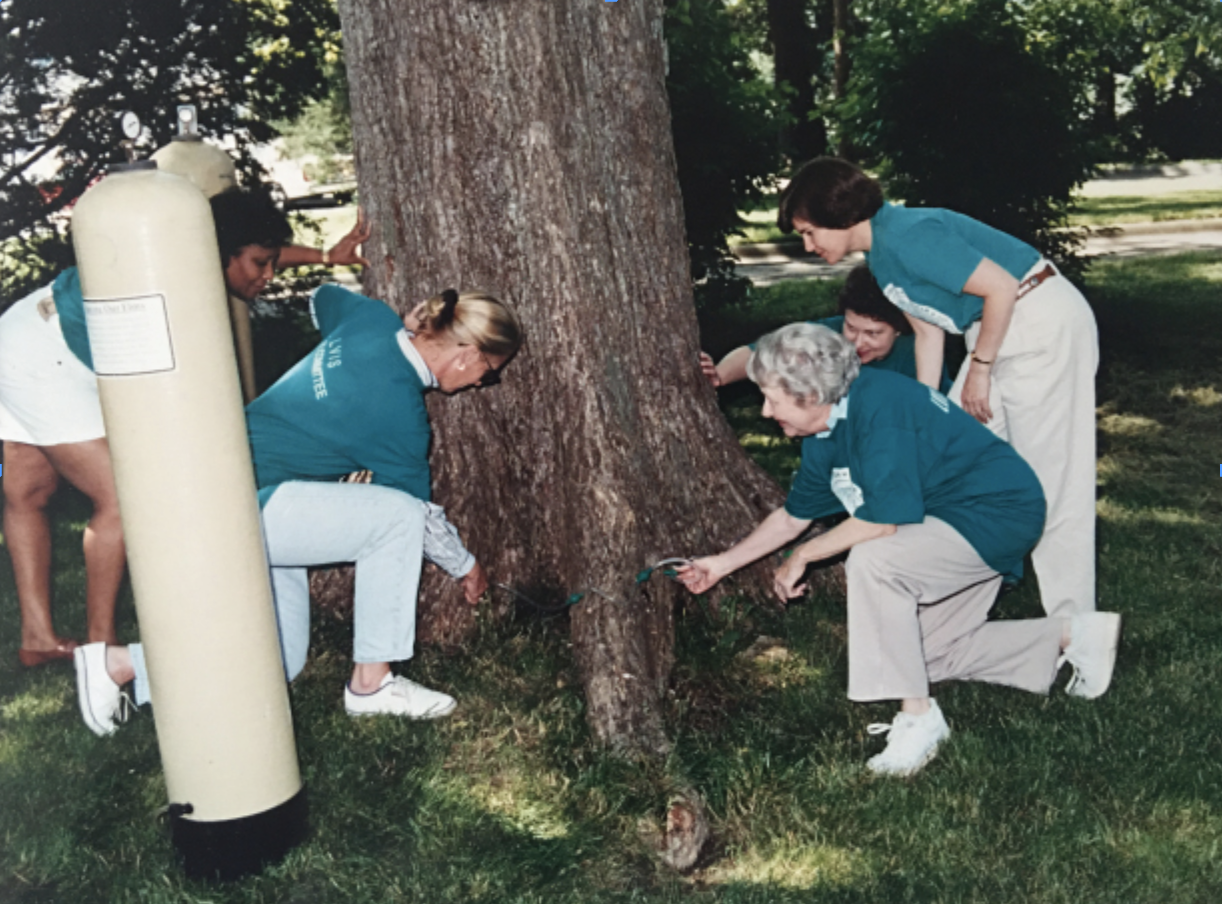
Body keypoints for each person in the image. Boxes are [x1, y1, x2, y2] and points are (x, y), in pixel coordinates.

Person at [73, 285, 522, 734]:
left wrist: (391, 314)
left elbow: (322, 297)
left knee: (279, 661)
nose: (482, 382)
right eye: (489, 371)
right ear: (467, 355)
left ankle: (119, 665)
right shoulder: (399, 416)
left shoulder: (371, 320)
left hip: (213, 489)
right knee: (397, 515)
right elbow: (418, 515)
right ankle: (373, 684)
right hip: (235, 507)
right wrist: (465, 566)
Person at [677, 324, 1120, 776]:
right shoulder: (823, 434)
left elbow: (882, 520)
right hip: (949, 518)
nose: (766, 412)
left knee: (875, 559)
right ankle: (1074, 636)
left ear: (812, 395)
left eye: (773, 399)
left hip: (995, 514)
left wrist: (803, 557)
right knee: (923, 655)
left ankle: (919, 719)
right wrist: (721, 564)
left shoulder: (880, 411)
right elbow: (794, 518)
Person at [0, 189, 369, 667]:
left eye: (272, 262)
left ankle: (38, 639)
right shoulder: (174, 277)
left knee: (27, 494)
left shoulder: (196, 251)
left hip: (24, 331)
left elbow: (249, 248)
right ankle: (100, 652)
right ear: (221, 254)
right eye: (261, 264)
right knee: (119, 498)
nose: (269, 275)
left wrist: (324, 255)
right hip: (43, 357)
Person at [775, 157, 1098, 619]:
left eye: (809, 232)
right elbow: (928, 333)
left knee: (1054, 482)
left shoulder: (909, 235)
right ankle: (956, 610)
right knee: (947, 462)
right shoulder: (881, 257)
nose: (807, 245)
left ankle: (1078, 634)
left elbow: (1002, 288)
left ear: (841, 214)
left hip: (1037, 322)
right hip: (992, 334)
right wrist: (927, 413)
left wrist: (981, 368)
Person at [701, 264, 938, 389]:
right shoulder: (829, 335)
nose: (857, 342)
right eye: (851, 327)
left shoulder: (918, 353)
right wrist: (720, 375)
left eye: (873, 333)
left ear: (898, 329)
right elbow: (761, 352)